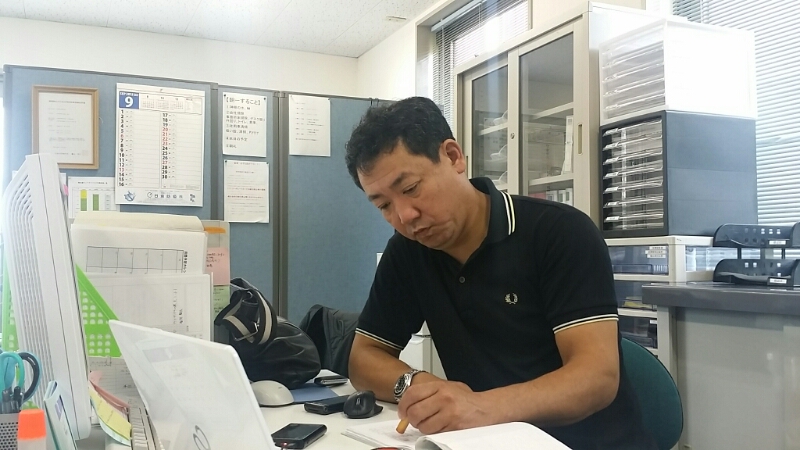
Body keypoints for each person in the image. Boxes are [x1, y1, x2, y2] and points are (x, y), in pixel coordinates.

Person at [344, 96, 656, 449]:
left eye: (411, 189)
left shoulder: (559, 233)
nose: (404, 216)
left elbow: (596, 377)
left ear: (453, 157)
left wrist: (477, 407)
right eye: (384, 205)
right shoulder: (409, 251)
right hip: (485, 440)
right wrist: (420, 386)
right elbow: (363, 358)